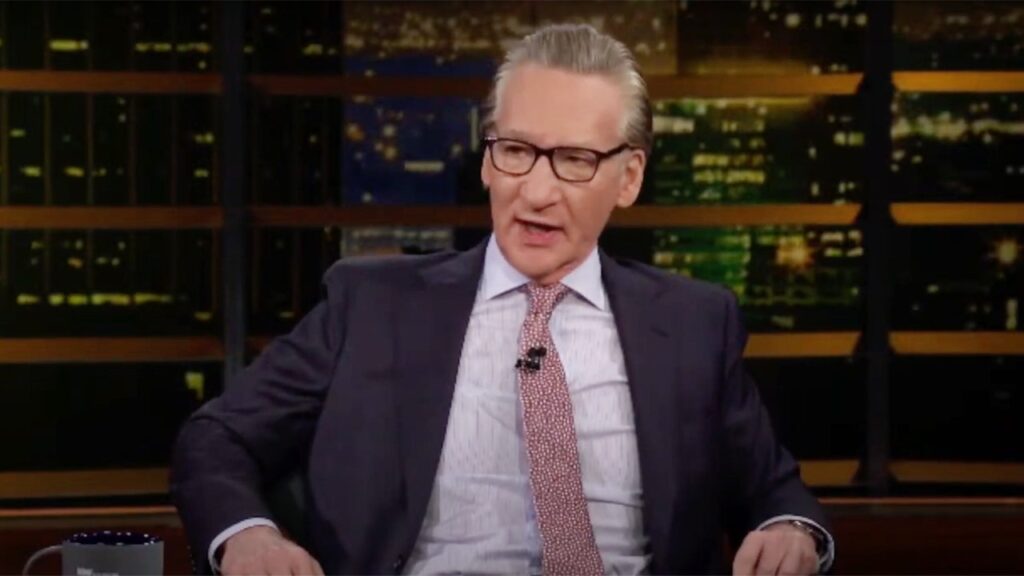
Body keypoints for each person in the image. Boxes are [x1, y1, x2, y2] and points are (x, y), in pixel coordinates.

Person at [172, 23, 835, 576]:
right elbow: (216, 438)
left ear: (628, 177)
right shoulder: (372, 305)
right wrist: (249, 537)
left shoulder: (694, 323)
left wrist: (790, 529)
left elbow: (775, 492)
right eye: (516, 151)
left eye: (574, 160)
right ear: (488, 160)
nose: (537, 193)